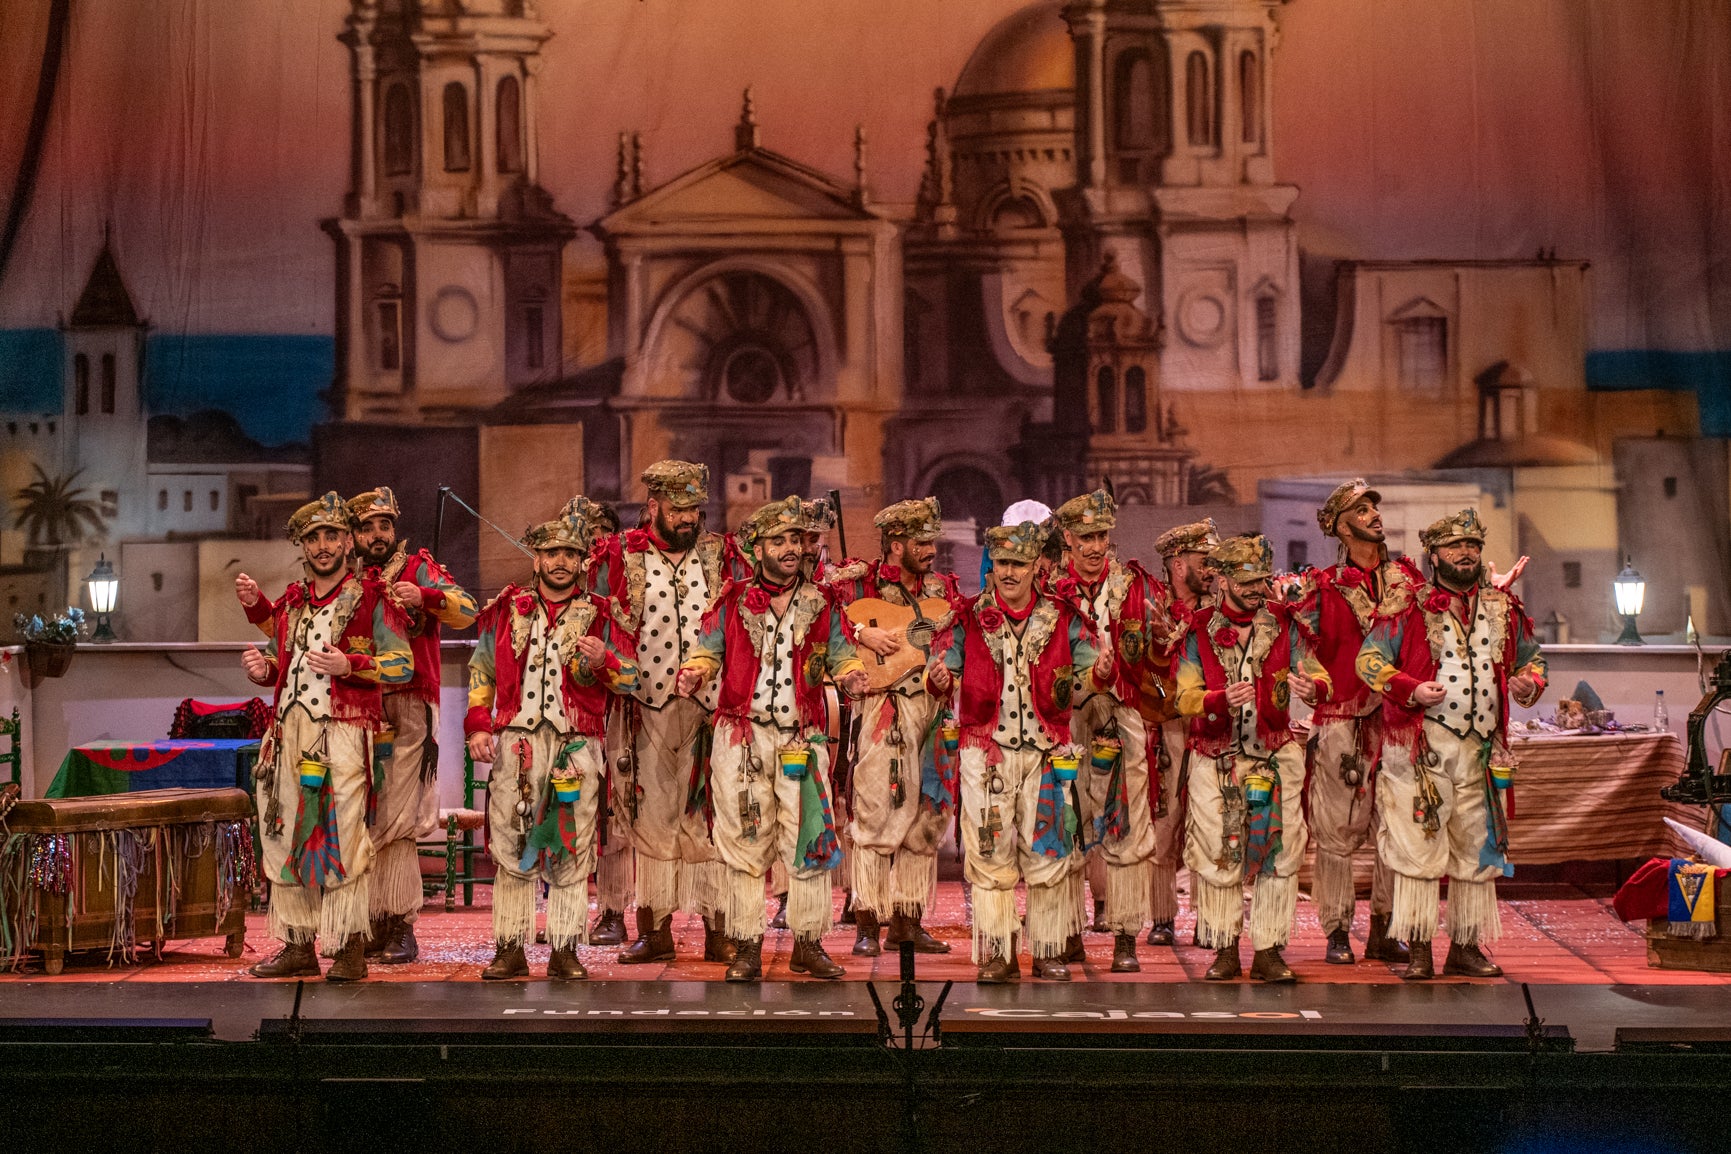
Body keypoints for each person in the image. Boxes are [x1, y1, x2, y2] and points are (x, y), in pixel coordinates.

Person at [675, 495, 869, 981]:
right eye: (778, 540)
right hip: (742, 739)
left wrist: (850, 675)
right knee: (744, 842)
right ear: (756, 548)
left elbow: (842, 653)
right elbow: (707, 650)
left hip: (802, 740)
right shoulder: (734, 600)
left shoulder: (822, 602)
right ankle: (746, 947)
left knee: (808, 839)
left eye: (795, 540)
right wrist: (694, 672)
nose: (789, 548)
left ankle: (808, 942)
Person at [1356, 508, 1547, 979]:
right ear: (1434, 554)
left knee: (1476, 849)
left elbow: (1533, 658)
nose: (1465, 553)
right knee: (1418, 848)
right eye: (1454, 546)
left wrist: (1529, 682)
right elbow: (1369, 661)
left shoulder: (1503, 607)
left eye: (1473, 546)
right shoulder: (1408, 605)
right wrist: (1410, 688)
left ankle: (1465, 945)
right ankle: (1419, 949)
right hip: (1420, 749)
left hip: (1481, 750)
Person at [237, 492, 413, 981]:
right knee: (287, 833)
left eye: (331, 535)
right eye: (313, 538)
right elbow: (286, 663)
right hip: (289, 731)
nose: (322, 546)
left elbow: (401, 664)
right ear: (303, 545)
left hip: (345, 731)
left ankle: (351, 945)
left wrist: (351, 666)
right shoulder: (294, 602)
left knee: (345, 836)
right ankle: (297, 943)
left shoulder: (375, 598)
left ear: (348, 541)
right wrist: (263, 669)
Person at [465, 497, 639, 981]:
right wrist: (479, 724)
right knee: (511, 840)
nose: (561, 562)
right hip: (518, 742)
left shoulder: (601, 614)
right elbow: (480, 669)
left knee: (572, 843)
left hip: (576, 745)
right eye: (551, 553)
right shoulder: (507, 610)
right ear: (535, 559)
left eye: (570, 553)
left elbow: (630, 680)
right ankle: (510, 946)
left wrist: (605, 659)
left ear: (583, 560)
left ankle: (565, 947)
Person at [587, 460, 748, 965]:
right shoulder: (619, 554)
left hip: (709, 707)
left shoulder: (720, 552)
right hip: (645, 703)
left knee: (709, 817)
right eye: (678, 508)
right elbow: (597, 615)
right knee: (650, 815)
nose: (688, 518)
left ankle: (718, 928)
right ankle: (654, 931)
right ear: (654, 505)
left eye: (695, 509)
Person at [941, 519, 1115, 982]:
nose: (1010, 573)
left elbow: (1088, 680)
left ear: (1037, 565)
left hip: (1045, 754)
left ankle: (1048, 949)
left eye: (1018, 563)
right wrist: (938, 679)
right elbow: (945, 670)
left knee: (1049, 852)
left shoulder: (1061, 617)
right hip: (987, 753)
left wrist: (1101, 670)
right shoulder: (968, 616)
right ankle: (998, 952)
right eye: (1002, 564)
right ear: (992, 565)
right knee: (990, 851)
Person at [1176, 535, 1327, 982]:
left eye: (1262, 580)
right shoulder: (1196, 629)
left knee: (1280, 851)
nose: (1257, 589)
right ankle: (1224, 947)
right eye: (1246, 580)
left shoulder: (1287, 624)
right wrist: (1218, 699)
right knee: (1219, 850)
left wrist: (1312, 689)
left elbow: (1321, 677)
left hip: (1276, 752)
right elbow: (1184, 698)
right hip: (1215, 757)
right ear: (1220, 579)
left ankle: (1269, 948)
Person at [826, 497, 963, 957]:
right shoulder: (857, 583)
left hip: (931, 711)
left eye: (932, 541)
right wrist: (862, 633)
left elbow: (953, 646)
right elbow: (822, 618)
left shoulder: (943, 589)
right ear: (896, 543)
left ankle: (907, 920)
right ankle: (867, 920)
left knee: (928, 812)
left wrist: (948, 677)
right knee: (875, 808)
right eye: (921, 542)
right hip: (883, 709)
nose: (930, 549)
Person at [345, 486, 476, 964]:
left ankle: (401, 923)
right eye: (367, 526)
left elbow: (467, 610)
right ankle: (374, 919)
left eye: (385, 525)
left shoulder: (416, 567)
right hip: (355, 707)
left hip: (409, 704)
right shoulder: (347, 579)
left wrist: (424, 594)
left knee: (398, 817)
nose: (377, 534)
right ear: (353, 535)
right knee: (363, 813)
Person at [1293, 480, 1416, 967]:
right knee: (1338, 832)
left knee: (1394, 825)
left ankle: (1386, 928)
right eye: (1361, 510)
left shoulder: (1408, 581)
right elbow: (1301, 647)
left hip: (1396, 720)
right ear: (1342, 527)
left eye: (1373, 508)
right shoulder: (1321, 588)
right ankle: (1338, 928)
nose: (1373, 515)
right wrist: (1315, 683)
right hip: (1342, 715)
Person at [1052, 489, 1168, 972]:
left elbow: (1161, 655)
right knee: (1067, 820)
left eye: (1101, 535)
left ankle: (1124, 935)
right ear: (1068, 539)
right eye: (1086, 537)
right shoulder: (1050, 592)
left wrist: (1162, 639)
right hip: (1068, 719)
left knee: (1127, 822)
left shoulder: (1136, 586)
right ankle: (1067, 932)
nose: (1096, 546)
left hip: (1122, 716)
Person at [1144, 518, 1221, 945]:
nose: (1212, 569)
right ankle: (1161, 916)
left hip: (1215, 724)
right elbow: (1144, 674)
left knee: (1212, 821)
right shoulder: (1151, 608)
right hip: (1168, 724)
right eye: (1204, 561)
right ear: (1177, 565)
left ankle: (1210, 917)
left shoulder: (1222, 609)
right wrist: (1162, 696)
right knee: (1164, 822)